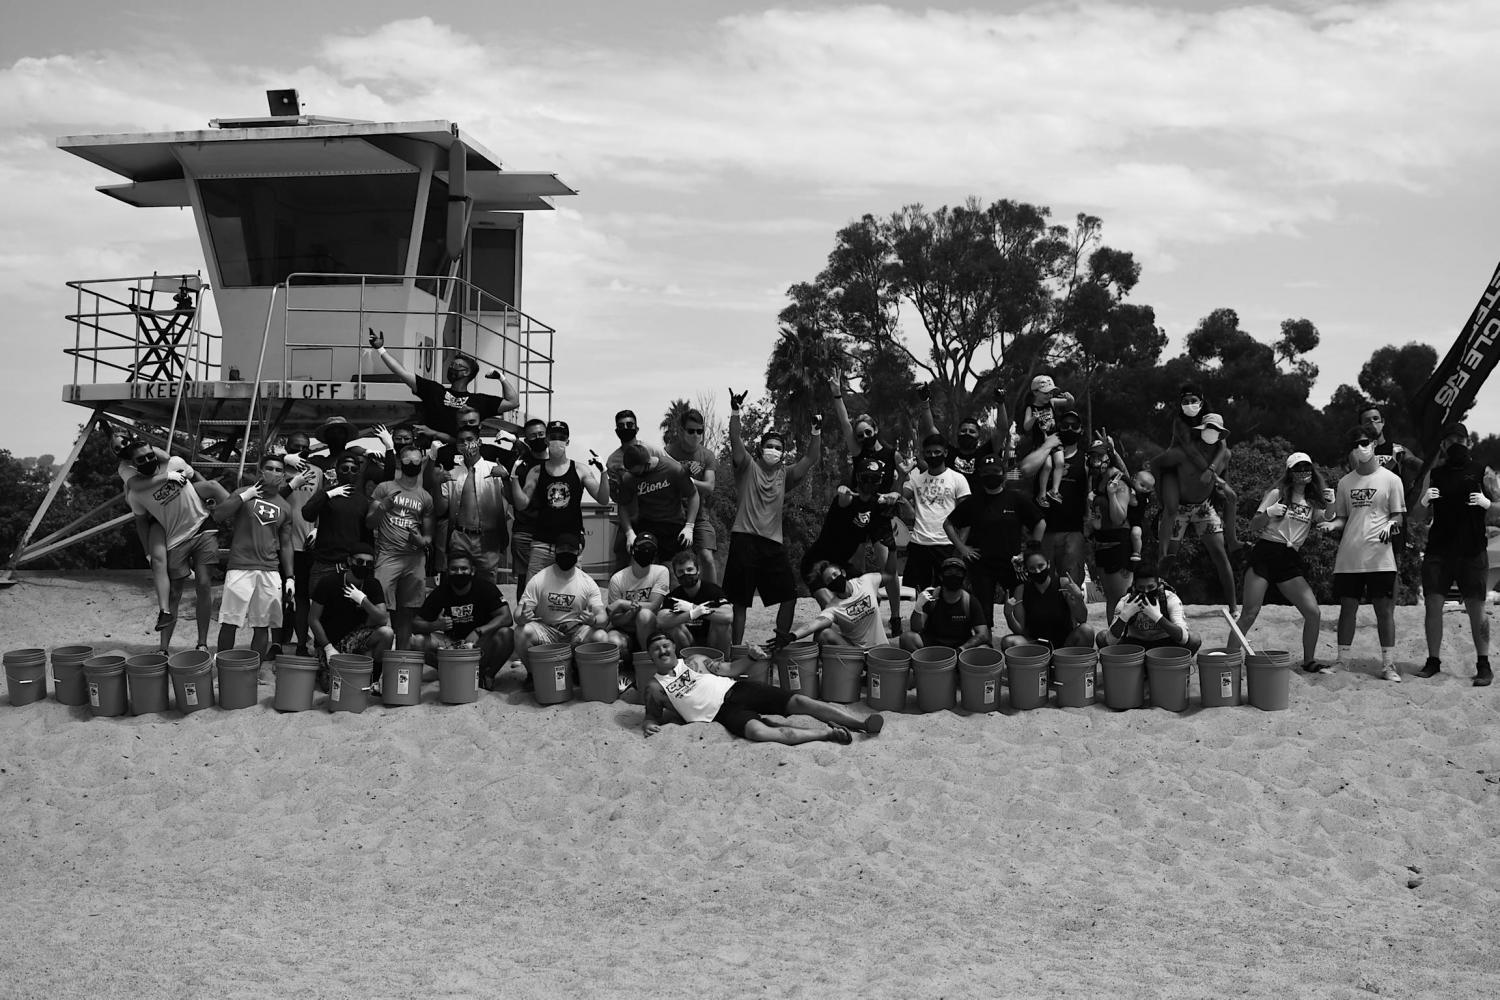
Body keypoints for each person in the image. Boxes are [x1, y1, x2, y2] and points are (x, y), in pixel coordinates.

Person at [641, 632, 884, 745]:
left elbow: (731, 670)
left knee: (800, 703)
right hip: (720, 715)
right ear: (650, 656)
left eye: (665, 646)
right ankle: (828, 734)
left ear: (673, 647)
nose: (662, 651)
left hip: (737, 690)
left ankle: (862, 725)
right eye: (656, 649)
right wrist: (649, 723)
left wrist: (752, 658)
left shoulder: (696, 660)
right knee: (760, 733)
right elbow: (652, 714)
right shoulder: (654, 687)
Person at [723, 389, 822, 644]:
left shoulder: (785, 475)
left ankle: (780, 642)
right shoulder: (747, 466)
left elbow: (811, 457)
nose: (773, 450)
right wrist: (735, 412)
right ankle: (737, 649)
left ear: (783, 453)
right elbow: (735, 440)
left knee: (789, 596)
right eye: (769, 445)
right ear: (760, 448)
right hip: (744, 540)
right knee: (740, 602)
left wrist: (816, 431)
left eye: (778, 447)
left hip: (772, 544)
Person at [1229, 452, 1334, 672]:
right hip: (1266, 552)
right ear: (1289, 472)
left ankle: (1309, 661)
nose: (1303, 472)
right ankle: (1228, 659)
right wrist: (1269, 511)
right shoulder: (1277, 493)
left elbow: (1326, 518)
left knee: (1313, 612)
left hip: (1289, 558)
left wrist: (1332, 503)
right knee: (1250, 612)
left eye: (1307, 467)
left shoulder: (1312, 501)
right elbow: (1254, 526)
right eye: (1298, 468)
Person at [1318, 426, 1408, 681]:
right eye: (1356, 443)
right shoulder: (1345, 482)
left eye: (1365, 442)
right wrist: (1331, 524)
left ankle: (1388, 665)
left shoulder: (1391, 479)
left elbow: (1398, 516)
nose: (1361, 447)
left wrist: (1391, 525)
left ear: (1374, 444)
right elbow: (1343, 518)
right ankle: (1342, 661)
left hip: (1380, 557)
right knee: (1348, 608)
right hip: (1350, 556)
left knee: (1384, 610)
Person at [1414, 423, 1496, 686]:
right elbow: (1416, 516)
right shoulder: (1434, 473)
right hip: (1439, 549)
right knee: (1433, 605)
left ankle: (1484, 664)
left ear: (1469, 442)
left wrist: (1488, 504)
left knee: (1476, 608)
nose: (1456, 443)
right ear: (1443, 445)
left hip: (1472, 550)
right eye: (1450, 440)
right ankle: (1433, 661)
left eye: (1460, 438)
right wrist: (1424, 502)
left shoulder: (1483, 470)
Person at [123, 440, 224, 653]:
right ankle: (163, 648)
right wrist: (148, 552)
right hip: (175, 539)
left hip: (203, 527)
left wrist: (208, 498)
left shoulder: (175, 463)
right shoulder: (136, 493)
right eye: (141, 459)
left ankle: (202, 644)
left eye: (150, 455)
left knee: (204, 585)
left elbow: (194, 475)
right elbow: (141, 521)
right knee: (174, 595)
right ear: (133, 464)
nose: (148, 460)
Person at [945, 452, 1045, 631]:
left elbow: (1040, 523)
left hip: (1013, 563)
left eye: (995, 471)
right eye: (986, 471)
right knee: (983, 608)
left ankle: (1023, 638)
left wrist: (1029, 552)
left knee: (1020, 603)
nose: (991, 475)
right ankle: (986, 644)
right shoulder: (973, 502)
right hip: (982, 564)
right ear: (980, 474)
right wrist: (962, 548)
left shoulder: (1016, 498)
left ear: (1003, 473)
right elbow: (948, 524)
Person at [367, 327, 519, 441]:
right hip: (432, 452)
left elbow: (513, 402)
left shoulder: (479, 401)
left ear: (467, 373)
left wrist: (501, 378)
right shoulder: (434, 390)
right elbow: (401, 372)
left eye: (457, 365)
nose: (451, 367)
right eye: (451, 364)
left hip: (461, 453)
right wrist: (380, 349)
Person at [212, 456, 295, 662]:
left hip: (270, 569)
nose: (274, 473)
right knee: (230, 621)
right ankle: (223, 664)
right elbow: (218, 515)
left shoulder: (285, 506)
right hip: (240, 566)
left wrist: (291, 576)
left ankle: (253, 670)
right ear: (260, 471)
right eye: (269, 468)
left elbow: (286, 544)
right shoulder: (243, 493)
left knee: (262, 624)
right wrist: (243, 497)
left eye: (278, 470)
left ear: (283, 475)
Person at [1158, 411, 1238, 615]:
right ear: (1202, 430)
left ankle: (1233, 607)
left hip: (1203, 506)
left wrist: (1220, 489)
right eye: (1209, 428)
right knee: (1168, 557)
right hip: (1179, 508)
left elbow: (1224, 480)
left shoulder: (1224, 454)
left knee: (1220, 554)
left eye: (1216, 430)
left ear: (1220, 434)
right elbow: (1161, 466)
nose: (1212, 433)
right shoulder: (1184, 452)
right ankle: (1158, 603)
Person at [801, 458, 906, 609]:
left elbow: (906, 510)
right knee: (831, 608)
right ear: (858, 478)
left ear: (880, 480)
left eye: (874, 478)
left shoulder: (877, 503)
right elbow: (843, 499)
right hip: (816, 562)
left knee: (872, 597)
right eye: (865, 477)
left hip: (841, 564)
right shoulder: (847, 499)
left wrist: (897, 494)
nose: (869, 482)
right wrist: (843, 491)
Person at [512, 420, 610, 580]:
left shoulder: (580, 470)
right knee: (534, 592)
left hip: (570, 544)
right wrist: (514, 476)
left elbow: (603, 499)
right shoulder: (536, 471)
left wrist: (604, 472)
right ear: (546, 440)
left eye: (561, 437)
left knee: (570, 591)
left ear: (568, 441)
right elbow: (521, 504)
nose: (557, 440)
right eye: (553, 437)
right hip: (542, 543)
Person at [1151, 383, 1240, 557]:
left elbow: (1222, 448)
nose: (1189, 404)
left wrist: (1214, 471)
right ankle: (1163, 553)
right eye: (1185, 401)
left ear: (1201, 401)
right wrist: (1212, 473)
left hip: (1206, 468)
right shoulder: (1179, 422)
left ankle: (1233, 541)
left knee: (1232, 496)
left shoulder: (1210, 419)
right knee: (1170, 508)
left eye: (1193, 400)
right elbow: (1190, 451)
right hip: (1176, 466)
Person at [366, 442, 439, 650]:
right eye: (407, 460)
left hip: (414, 560)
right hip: (388, 556)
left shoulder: (425, 497)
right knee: (378, 612)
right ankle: (372, 659)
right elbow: (369, 522)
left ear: (422, 461)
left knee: (406, 615)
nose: (412, 463)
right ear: (400, 461)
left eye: (417, 460)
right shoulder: (385, 488)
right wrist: (383, 507)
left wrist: (420, 541)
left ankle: (401, 661)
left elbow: (428, 537)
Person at [515, 532, 610, 680]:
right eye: (562, 549)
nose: (566, 552)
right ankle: (532, 675)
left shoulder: (587, 582)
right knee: (521, 631)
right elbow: (519, 612)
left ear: (578, 551)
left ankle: (580, 671)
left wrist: (594, 621)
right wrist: (522, 618)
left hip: (576, 634)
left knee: (601, 636)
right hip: (548, 632)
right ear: (554, 551)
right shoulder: (539, 579)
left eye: (570, 549)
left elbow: (602, 616)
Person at [413, 551, 514, 688]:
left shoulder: (486, 588)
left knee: (506, 634)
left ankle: (487, 676)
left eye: (464, 569)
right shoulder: (440, 592)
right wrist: (435, 625)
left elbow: (506, 617)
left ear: (472, 571)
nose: (459, 572)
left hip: (480, 644)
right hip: (450, 645)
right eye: (454, 569)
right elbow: (415, 624)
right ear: (448, 571)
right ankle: (450, 671)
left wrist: (479, 631)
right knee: (416, 641)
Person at [309, 541, 395, 682]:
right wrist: (327, 647)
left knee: (387, 633)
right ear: (349, 561)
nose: (364, 566)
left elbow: (382, 619)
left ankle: (373, 680)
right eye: (360, 561)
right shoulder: (329, 582)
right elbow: (313, 619)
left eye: (368, 564)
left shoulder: (372, 584)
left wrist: (363, 601)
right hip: (330, 641)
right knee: (330, 685)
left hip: (356, 638)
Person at [784, 559, 910, 651]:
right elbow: (814, 624)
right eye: (829, 580)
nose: (833, 580)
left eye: (835, 575)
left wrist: (892, 550)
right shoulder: (833, 607)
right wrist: (792, 636)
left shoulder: (865, 581)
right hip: (856, 653)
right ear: (827, 586)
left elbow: (889, 574)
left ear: (843, 573)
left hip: (880, 648)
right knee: (822, 634)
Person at [1086, 433, 1147, 621]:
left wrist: (1112, 496)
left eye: (1099, 456)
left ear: (1107, 457)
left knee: (1121, 599)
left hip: (1118, 543)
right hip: (1101, 543)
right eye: (1092, 456)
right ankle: (1113, 638)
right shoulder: (1098, 479)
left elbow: (1119, 518)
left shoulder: (1118, 481)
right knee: (1111, 599)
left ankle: (1123, 641)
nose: (1095, 461)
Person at [902, 433, 971, 593]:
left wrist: (960, 547)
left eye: (937, 452)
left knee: (949, 589)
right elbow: (898, 497)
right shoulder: (915, 479)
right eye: (929, 452)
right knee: (921, 594)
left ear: (945, 453)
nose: (933, 455)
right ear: (923, 454)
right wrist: (901, 473)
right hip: (920, 543)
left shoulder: (957, 478)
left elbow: (967, 518)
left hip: (947, 544)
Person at [441, 426, 510, 582]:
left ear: (479, 442)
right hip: (460, 537)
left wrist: (505, 478)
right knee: (458, 584)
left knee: (488, 587)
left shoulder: (495, 469)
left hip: (488, 539)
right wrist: (436, 483)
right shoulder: (452, 473)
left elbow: (513, 500)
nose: (466, 444)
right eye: (461, 441)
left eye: (470, 440)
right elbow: (441, 509)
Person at [301, 450, 371, 597]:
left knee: (345, 616)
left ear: (358, 472)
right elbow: (307, 513)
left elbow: (367, 536)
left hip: (351, 567)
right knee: (316, 613)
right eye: (344, 469)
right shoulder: (327, 493)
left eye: (353, 469)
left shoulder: (364, 501)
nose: (349, 472)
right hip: (324, 564)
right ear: (337, 471)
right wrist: (328, 494)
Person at [618, 442, 698, 567]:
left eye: (637, 473)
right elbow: (622, 505)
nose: (635, 475)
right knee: (641, 566)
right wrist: (629, 532)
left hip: (673, 524)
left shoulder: (673, 469)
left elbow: (693, 495)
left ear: (647, 464)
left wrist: (689, 526)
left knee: (675, 567)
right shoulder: (630, 478)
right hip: (647, 524)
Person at [663, 407, 720, 585]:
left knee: (706, 557)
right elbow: (664, 484)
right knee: (672, 562)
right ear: (681, 431)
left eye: (699, 431)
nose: (696, 435)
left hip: (700, 517)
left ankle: (712, 596)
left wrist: (688, 480)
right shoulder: (668, 452)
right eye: (691, 431)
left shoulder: (707, 455)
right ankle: (675, 599)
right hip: (673, 515)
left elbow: (709, 486)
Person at [1002, 542, 1095, 651]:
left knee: (1086, 631)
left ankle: (1069, 665)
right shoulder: (1021, 590)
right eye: (1032, 568)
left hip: (1065, 647)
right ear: (1027, 570)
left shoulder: (1064, 584)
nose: (1037, 571)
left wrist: (1079, 598)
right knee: (1008, 642)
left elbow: (1082, 619)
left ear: (1048, 564)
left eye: (1041, 566)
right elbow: (1020, 631)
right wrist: (1008, 615)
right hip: (1036, 647)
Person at [1096, 561, 1200, 652]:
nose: (1146, 592)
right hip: (1135, 645)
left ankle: (1173, 668)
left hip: (1165, 644)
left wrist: (1157, 617)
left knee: (1194, 639)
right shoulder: (1125, 602)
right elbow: (1110, 641)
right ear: (1134, 586)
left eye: (1151, 587)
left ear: (1158, 584)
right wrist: (1124, 616)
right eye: (1141, 588)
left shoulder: (1169, 599)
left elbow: (1184, 638)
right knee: (1101, 637)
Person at [605, 533, 672, 656]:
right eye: (641, 548)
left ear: (655, 553)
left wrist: (621, 603)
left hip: (651, 629)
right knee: (611, 641)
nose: (646, 551)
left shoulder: (661, 571)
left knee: (644, 614)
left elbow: (653, 606)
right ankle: (630, 663)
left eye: (650, 549)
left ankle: (646, 660)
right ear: (633, 551)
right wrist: (630, 613)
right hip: (625, 630)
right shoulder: (617, 579)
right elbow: (615, 620)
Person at [656, 549, 732, 655]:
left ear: (698, 570)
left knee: (722, 624)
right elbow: (661, 621)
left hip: (712, 642)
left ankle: (722, 664)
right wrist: (691, 614)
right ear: (676, 575)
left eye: (689, 569)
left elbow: (728, 616)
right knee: (672, 627)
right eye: (681, 572)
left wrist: (693, 607)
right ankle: (683, 664)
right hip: (687, 643)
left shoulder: (713, 591)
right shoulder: (674, 596)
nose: (686, 574)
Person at [907, 556, 991, 652]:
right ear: (941, 576)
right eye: (949, 572)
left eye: (958, 573)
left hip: (961, 646)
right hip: (932, 644)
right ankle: (928, 661)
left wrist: (963, 648)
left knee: (985, 649)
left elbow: (983, 634)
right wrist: (918, 607)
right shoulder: (930, 597)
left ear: (964, 577)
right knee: (907, 638)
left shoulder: (970, 601)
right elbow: (916, 628)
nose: (953, 576)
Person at [1018, 374, 1075, 507]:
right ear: (1035, 392)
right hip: (1041, 443)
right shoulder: (1030, 408)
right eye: (1046, 393)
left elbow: (1069, 404)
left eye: (1051, 392)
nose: (1049, 396)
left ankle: (1055, 490)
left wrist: (1070, 398)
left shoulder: (1052, 402)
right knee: (1047, 466)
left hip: (1055, 439)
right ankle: (1042, 495)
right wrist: (1033, 418)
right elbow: (1026, 427)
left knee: (1060, 462)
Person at [508, 418, 551, 590]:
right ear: (527, 440)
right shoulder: (519, 464)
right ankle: (523, 616)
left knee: (550, 581)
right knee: (525, 582)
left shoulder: (558, 463)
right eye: (533, 436)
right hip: (524, 531)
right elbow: (514, 498)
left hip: (550, 532)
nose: (538, 438)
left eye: (541, 434)